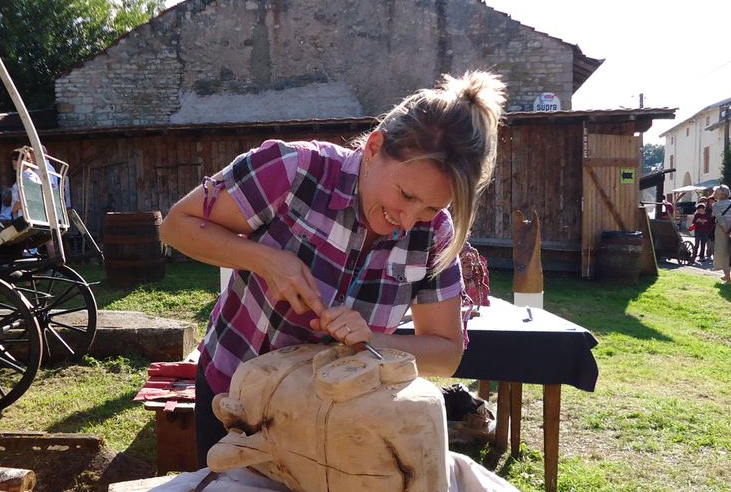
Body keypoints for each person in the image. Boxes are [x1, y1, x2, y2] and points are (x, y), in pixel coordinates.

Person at [160, 71, 506, 464]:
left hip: (333, 418)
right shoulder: (294, 169)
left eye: (431, 207)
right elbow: (178, 226)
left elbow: (446, 354)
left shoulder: (436, 235)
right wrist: (267, 260)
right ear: (374, 147)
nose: (409, 221)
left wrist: (372, 338)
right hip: (233, 396)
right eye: (406, 195)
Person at [711, 184, 731, 284]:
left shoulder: (716, 205)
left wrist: (725, 230)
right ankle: (727, 276)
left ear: (722, 194)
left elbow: (720, 219)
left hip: (721, 231)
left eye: (716, 192)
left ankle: (728, 278)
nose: (714, 194)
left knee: (722, 252)